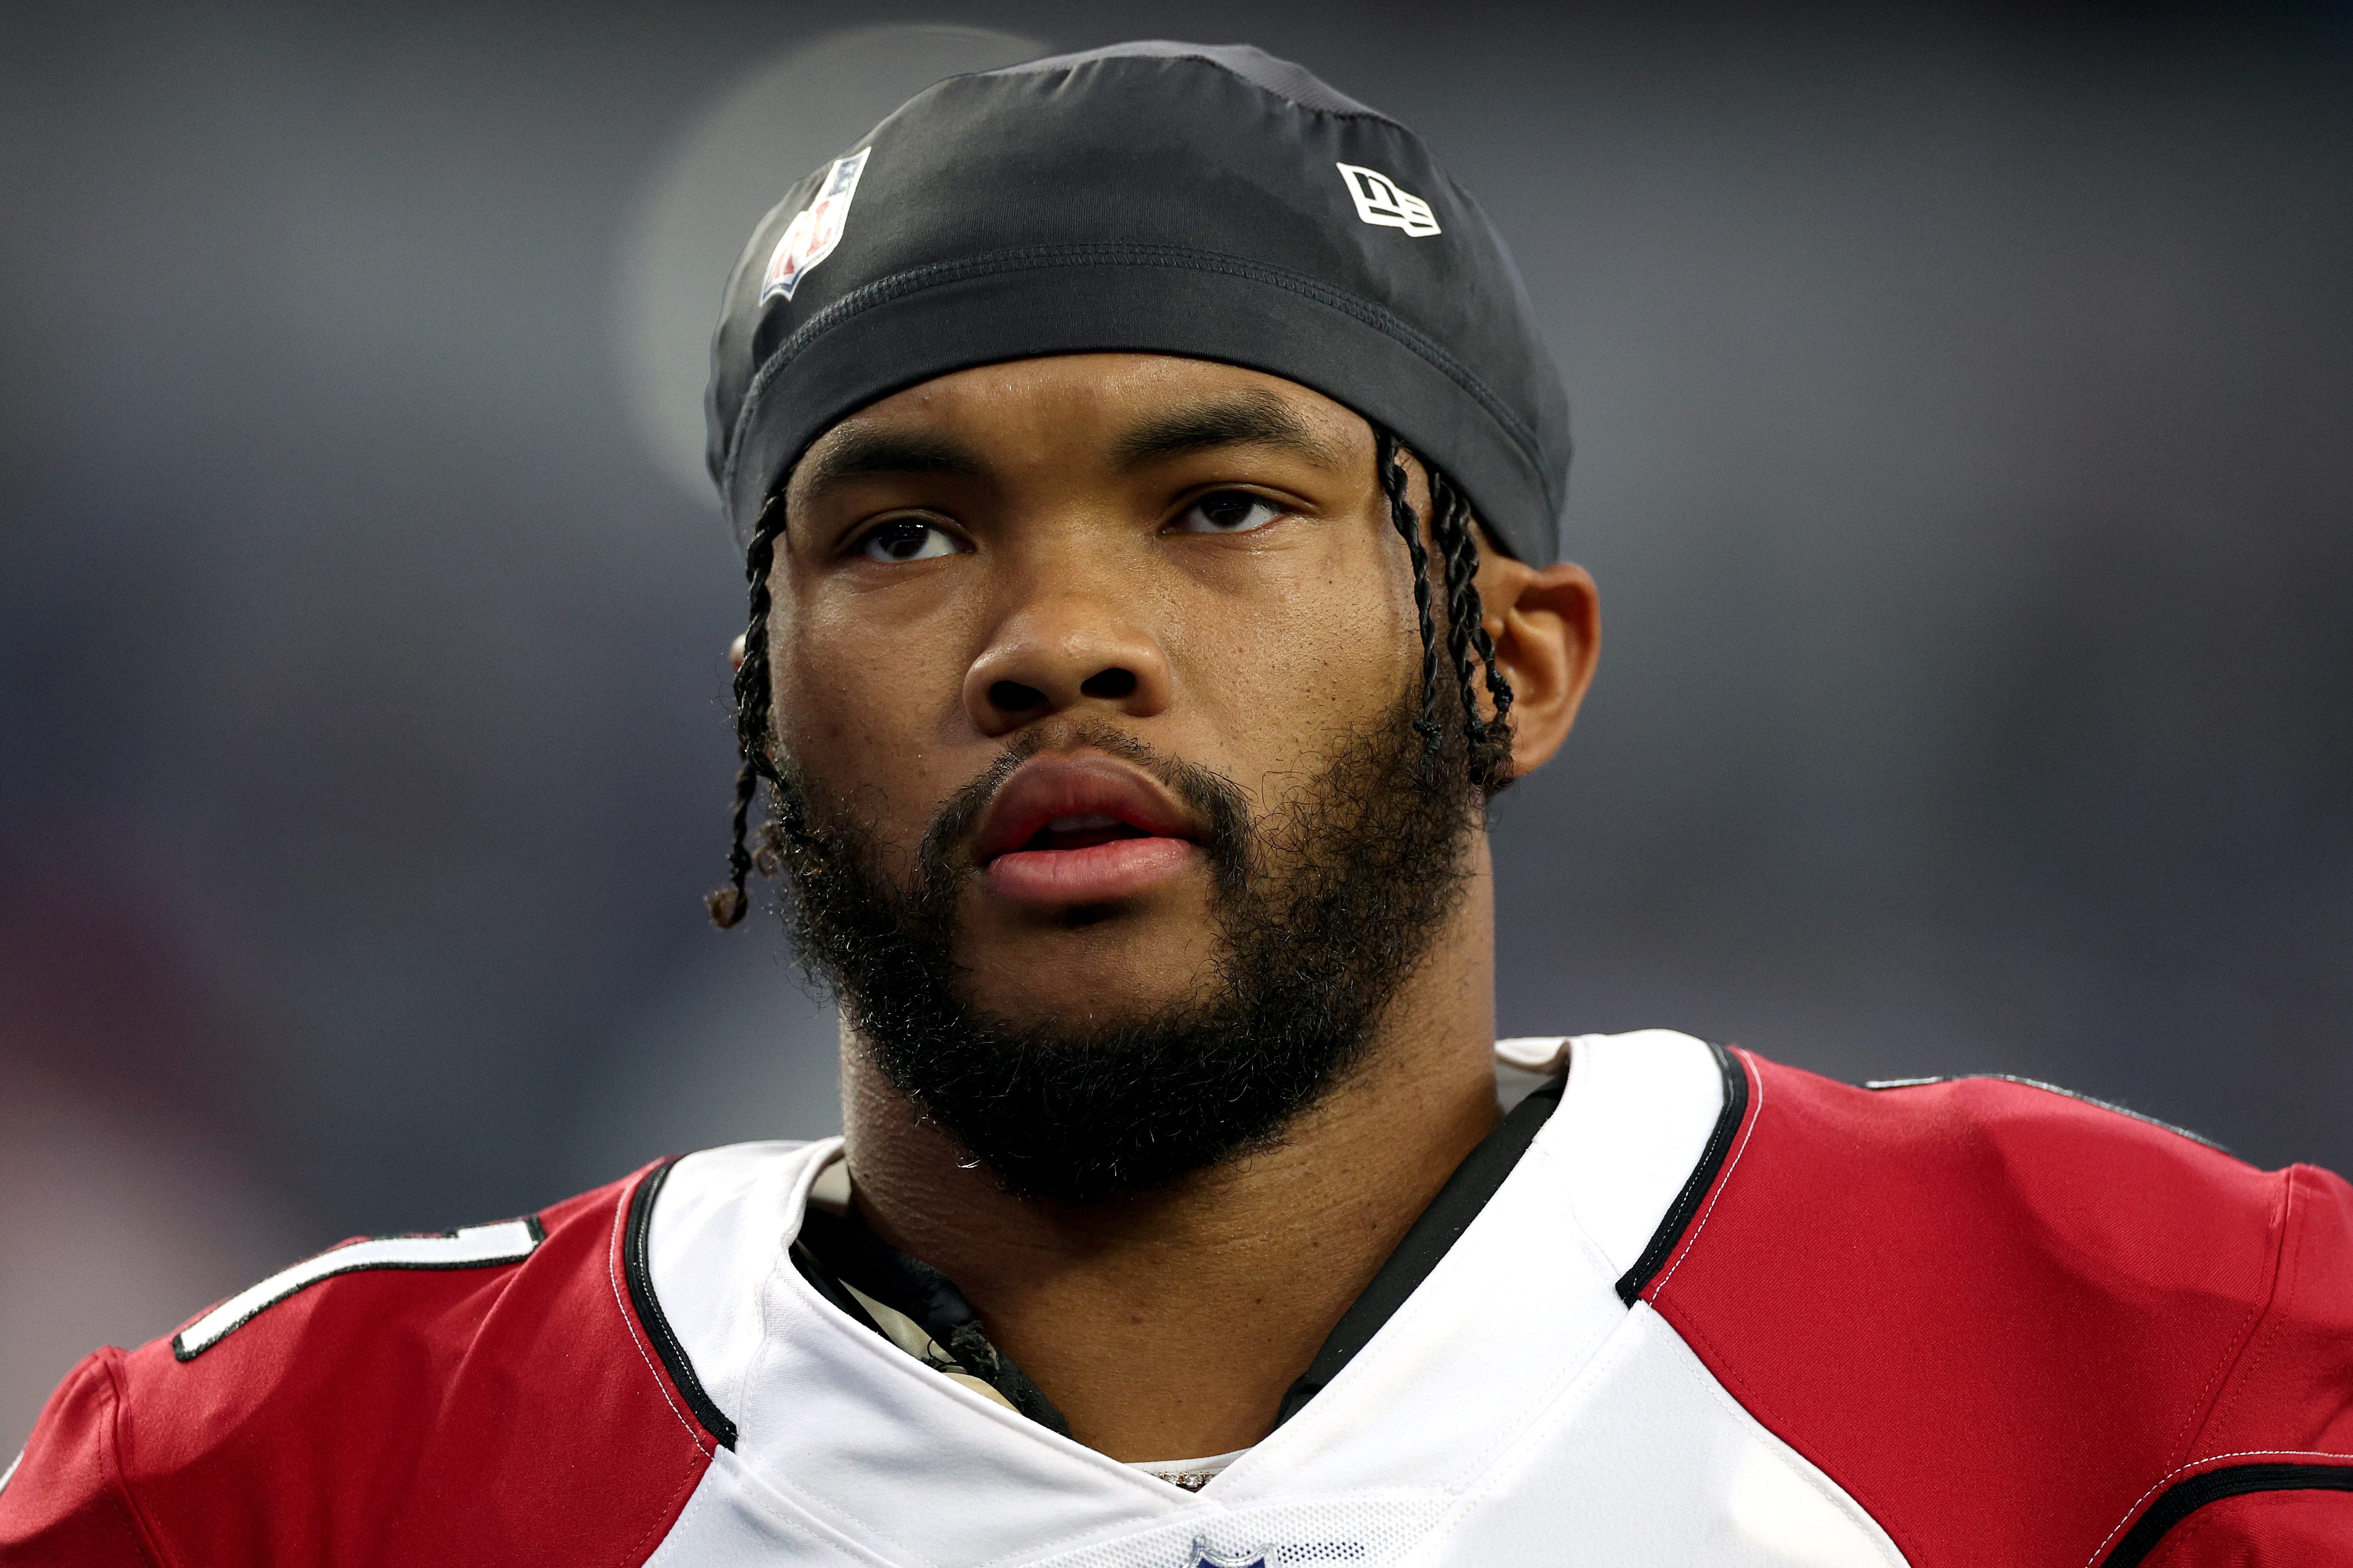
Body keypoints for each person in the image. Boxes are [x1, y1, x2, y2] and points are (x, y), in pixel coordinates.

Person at [4, 41, 2348, 1568]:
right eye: (901, 531)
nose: (1055, 635)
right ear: (760, 702)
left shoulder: (2162, 1366)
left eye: (1221, 505)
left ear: (1510, 663)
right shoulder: (285, 1486)